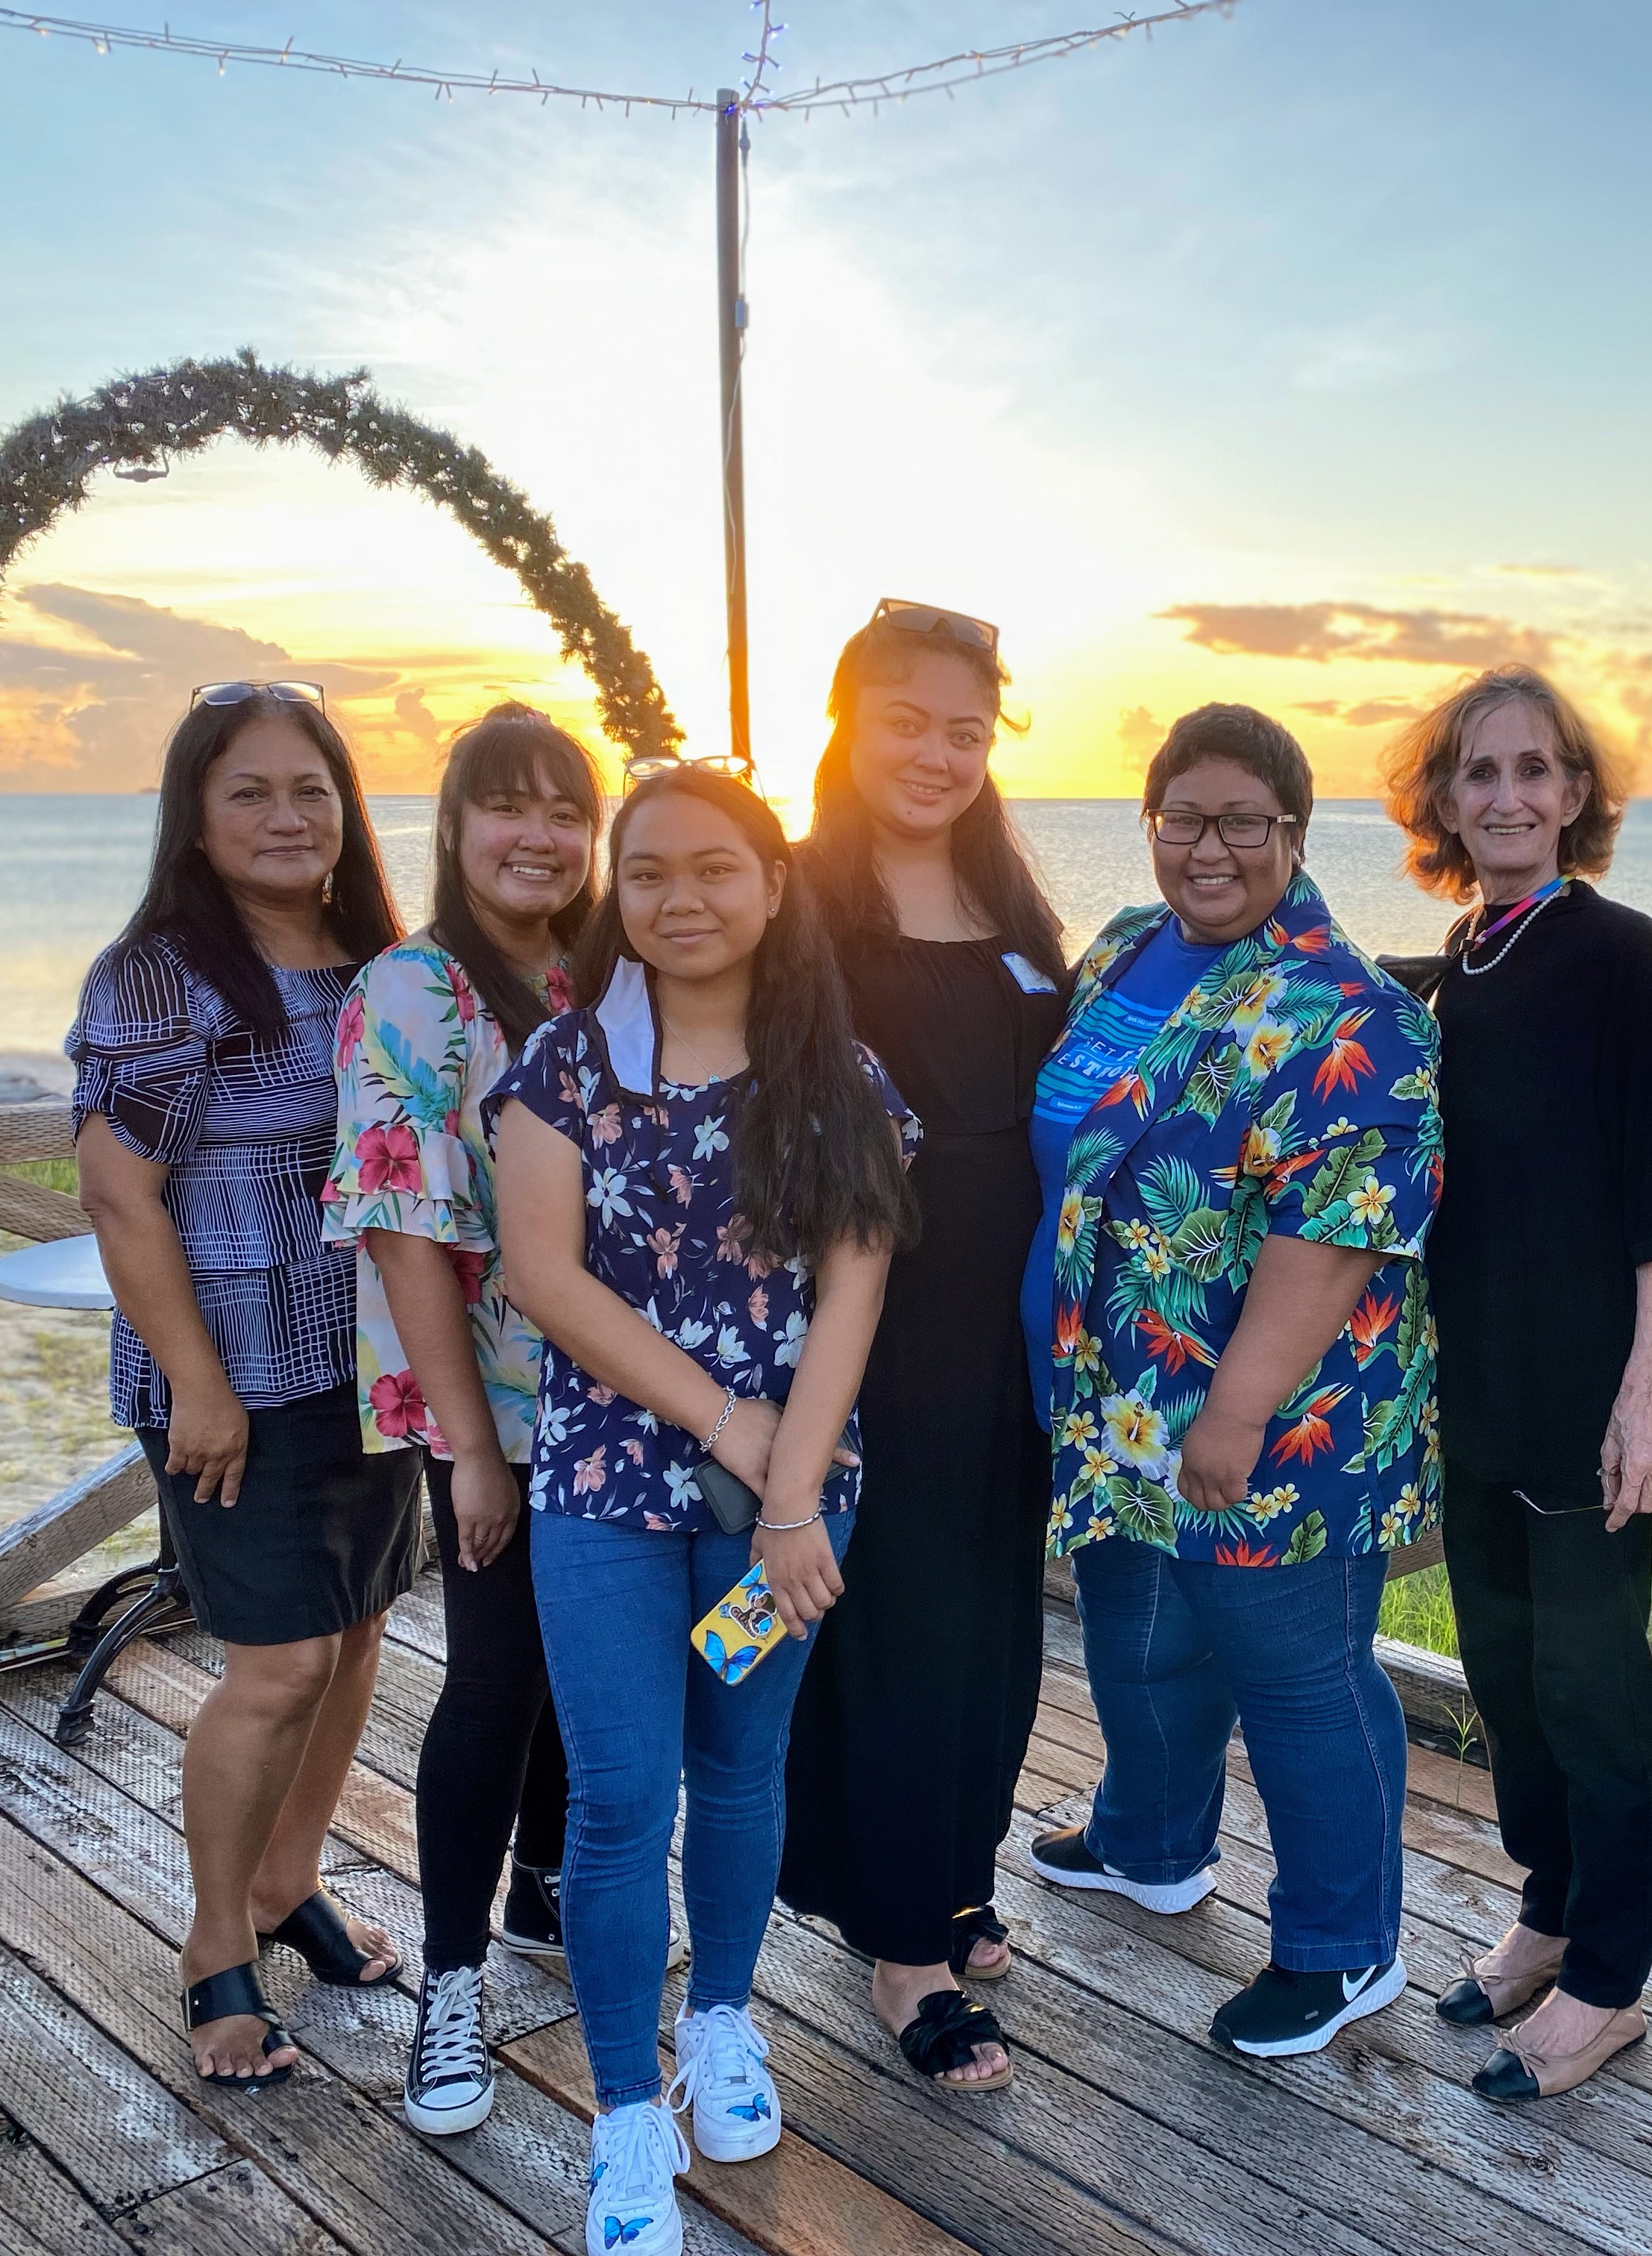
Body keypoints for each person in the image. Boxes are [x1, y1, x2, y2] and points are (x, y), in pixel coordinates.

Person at [494, 761, 916, 2256]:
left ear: (773, 881)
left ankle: (721, 2025)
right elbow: (543, 1278)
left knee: (743, 1762)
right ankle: (621, 2113)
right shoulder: (563, 1064)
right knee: (620, 1796)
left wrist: (790, 1494)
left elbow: (856, 1284)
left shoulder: (837, 1073)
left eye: (715, 867)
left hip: (780, 1508)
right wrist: (725, 1418)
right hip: (606, 1489)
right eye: (651, 870)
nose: (681, 898)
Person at [1024, 704, 1443, 2061]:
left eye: (1242, 823)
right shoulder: (1122, 953)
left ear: (1296, 835)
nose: (1210, 849)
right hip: (1117, 1403)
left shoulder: (1351, 1011)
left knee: (1300, 1675)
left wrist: (1238, 1408)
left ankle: (1344, 1948)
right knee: (1139, 1632)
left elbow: (1339, 1232)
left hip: (1274, 1424)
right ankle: (1152, 1843)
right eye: (1184, 820)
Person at [69, 680, 412, 2092]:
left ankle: (289, 1881)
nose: (287, 816)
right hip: (236, 1381)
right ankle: (218, 1942)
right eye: (249, 793)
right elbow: (115, 1192)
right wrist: (197, 1386)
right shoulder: (164, 972)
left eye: (311, 789)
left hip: (376, 1369)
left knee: (356, 1634)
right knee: (272, 1667)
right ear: (196, 822)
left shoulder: (376, 962)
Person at [1376, 665, 1652, 2103]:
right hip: (1484, 1395)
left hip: (1592, 1399)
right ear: (1444, 801)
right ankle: (1549, 1913)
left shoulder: (1616, 948)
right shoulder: (1463, 957)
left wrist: (1649, 1396)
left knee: (1595, 1687)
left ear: (1577, 795)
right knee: (1508, 1681)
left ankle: (1612, 1983)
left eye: (1534, 771)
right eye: (1478, 773)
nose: (1506, 796)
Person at [781, 601, 1069, 2096]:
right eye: (907, 719)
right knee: (890, 1628)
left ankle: (953, 1869)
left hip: (1011, 1326)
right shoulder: (796, 902)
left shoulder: (1011, 905)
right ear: (849, 722)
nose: (937, 753)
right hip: (870, 1329)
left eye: (967, 728)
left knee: (994, 1626)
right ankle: (902, 1947)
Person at [325, 701, 597, 2137]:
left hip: (620, 1396)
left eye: (567, 809)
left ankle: (546, 1884)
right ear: (454, 825)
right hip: (486, 1398)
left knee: (590, 1650)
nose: (540, 834)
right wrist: (472, 1447)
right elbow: (404, 1235)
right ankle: (450, 1984)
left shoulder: (602, 974)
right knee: (495, 1673)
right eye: (511, 805)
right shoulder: (416, 988)